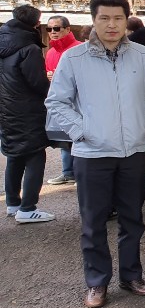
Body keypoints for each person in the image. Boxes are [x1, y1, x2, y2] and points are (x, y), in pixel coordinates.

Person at [45, 0, 145, 308]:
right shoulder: (74, 58)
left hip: (135, 151)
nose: (112, 25)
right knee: (93, 222)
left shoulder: (142, 56)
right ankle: (97, 282)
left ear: (126, 20)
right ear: (94, 20)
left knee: (132, 218)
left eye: (118, 18)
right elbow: (57, 102)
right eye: (104, 18)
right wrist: (82, 131)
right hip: (92, 154)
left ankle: (131, 275)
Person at [1, 4, 54, 223]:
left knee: (14, 156)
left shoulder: (3, 42)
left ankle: (13, 203)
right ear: (36, 23)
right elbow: (37, 83)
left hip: (6, 109)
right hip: (27, 110)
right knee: (35, 155)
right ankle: (28, 208)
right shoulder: (29, 48)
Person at [44, 15, 82, 185]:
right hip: (60, 99)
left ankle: (80, 173)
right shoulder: (50, 52)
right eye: (49, 29)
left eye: (57, 28)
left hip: (78, 100)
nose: (53, 32)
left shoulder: (79, 49)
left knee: (78, 137)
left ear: (67, 29)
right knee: (63, 137)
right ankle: (68, 172)